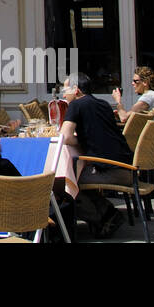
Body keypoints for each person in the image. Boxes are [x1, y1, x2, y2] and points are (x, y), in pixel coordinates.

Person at [60, 72, 133, 238]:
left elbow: (65, 136)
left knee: (62, 185)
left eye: (66, 90)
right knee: (75, 179)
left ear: (76, 90)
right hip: (127, 166)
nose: (64, 95)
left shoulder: (76, 105)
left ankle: (101, 218)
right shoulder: (103, 104)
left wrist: (81, 142)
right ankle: (108, 213)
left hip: (112, 170)